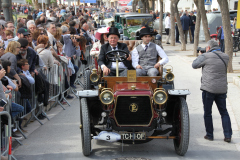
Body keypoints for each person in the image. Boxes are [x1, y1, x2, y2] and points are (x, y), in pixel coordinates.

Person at [192, 39, 232, 143]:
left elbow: (194, 65)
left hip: (208, 89)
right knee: (224, 112)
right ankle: (228, 136)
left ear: (208, 48)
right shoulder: (225, 56)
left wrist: (201, 55)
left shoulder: (206, 56)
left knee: (208, 112)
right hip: (222, 89)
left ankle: (210, 135)